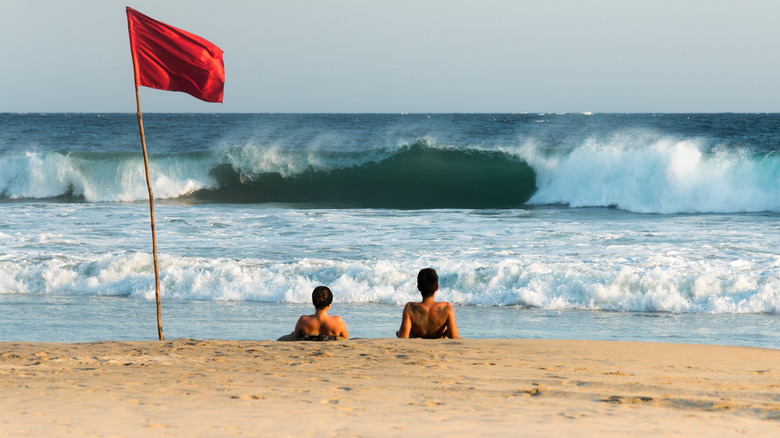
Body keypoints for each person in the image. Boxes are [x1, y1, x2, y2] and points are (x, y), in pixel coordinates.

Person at [396, 268, 459, 339]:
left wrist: (399, 333)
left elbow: (403, 337)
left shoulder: (410, 308)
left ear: (418, 288)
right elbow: (455, 336)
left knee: (401, 332)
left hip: (418, 337)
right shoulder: (447, 308)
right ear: (437, 287)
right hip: (438, 339)